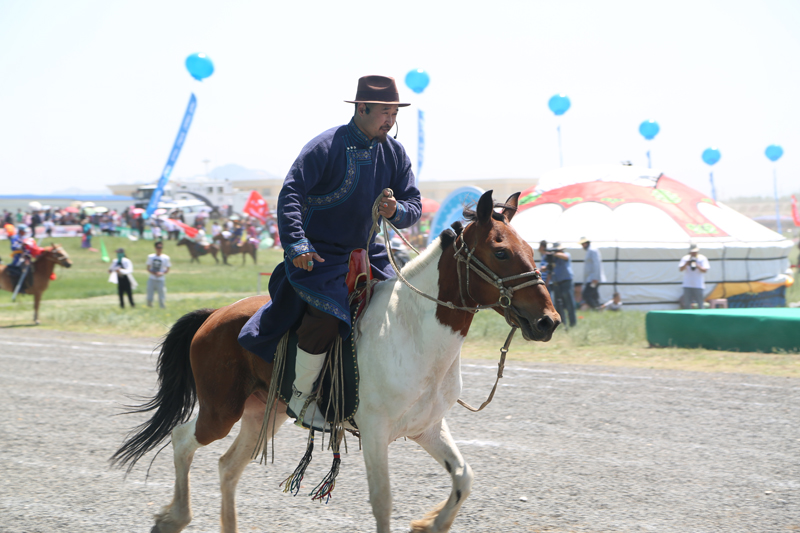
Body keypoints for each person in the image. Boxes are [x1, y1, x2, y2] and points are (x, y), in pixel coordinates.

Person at [238, 74, 421, 430]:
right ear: (362, 107)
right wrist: (297, 244)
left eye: (394, 113)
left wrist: (394, 210)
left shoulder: (395, 154)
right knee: (328, 313)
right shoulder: (326, 145)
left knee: (405, 307)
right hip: (319, 256)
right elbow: (291, 193)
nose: (390, 120)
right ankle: (303, 399)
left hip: (371, 254)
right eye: (385, 111)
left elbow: (412, 203)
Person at [550, 242, 577, 328]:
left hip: (566, 282)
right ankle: (562, 324)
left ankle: (572, 324)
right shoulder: (553, 258)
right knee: (558, 305)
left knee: (569, 304)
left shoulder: (565, 254)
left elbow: (565, 257)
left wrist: (555, 254)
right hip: (557, 283)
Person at [679, 244, 709, 309]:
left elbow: (705, 270)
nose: (693, 253)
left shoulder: (702, 258)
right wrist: (686, 263)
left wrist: (697, 264)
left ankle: (701, 317)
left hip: (698, 285)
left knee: (700, 303)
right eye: (692, 252)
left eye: (695, 252)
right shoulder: (685, 258)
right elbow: (680, 269)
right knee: (687, 304)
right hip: (687, 284)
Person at [580, 237, 605, 309]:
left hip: (593, 278)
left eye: (583, 244)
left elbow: (596, 264)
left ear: (586, 243)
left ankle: (596, 308)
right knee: (594, 295)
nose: (582, 246)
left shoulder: (592, 250)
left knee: (586, 295)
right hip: (591, 278)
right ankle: (599, 309)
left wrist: (595, 277)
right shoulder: (590, 250)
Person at [145, 241, 170, 308]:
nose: (159, 249)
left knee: (161, 295)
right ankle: (149, 307)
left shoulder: (165, 258)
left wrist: (161, 273)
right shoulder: (150, 257)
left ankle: (162, 307)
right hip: (152, 278)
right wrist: (153, 273)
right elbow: (148, 268)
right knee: (149, 295)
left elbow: (167, 269)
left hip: (161, 279)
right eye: (158, 247)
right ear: (155, 248)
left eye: (161, 247)